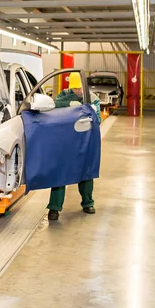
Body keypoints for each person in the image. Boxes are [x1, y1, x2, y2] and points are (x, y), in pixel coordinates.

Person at [47, 72, 101, 221]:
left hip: (85, 141)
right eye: (75, 89)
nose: (77, 92)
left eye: (79, 89)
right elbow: (54, 106)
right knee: (60, 174)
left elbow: (99, 120)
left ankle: (88, 203)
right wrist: (68, 105)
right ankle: (54, 208)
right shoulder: (64, 95)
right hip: (65, 141)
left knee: (86, 173)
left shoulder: (92, 98)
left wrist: (93, 112)